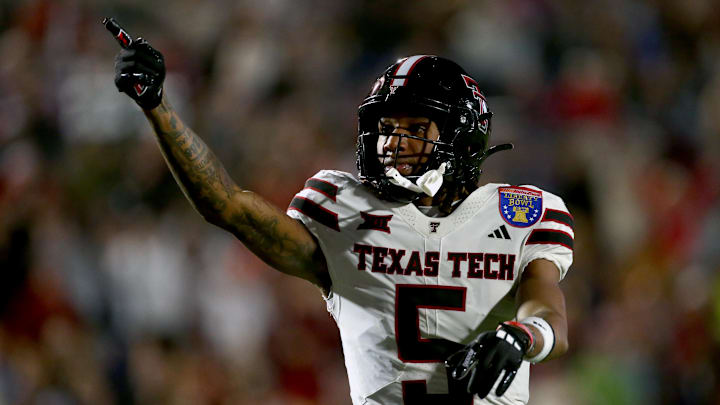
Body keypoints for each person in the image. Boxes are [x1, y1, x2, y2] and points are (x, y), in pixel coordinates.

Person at [109, 21, 573, 405]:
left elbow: (548, 313)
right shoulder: (344, 212)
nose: (394, 142)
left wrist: (520, 336)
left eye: (415, 127)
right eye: (387, 127)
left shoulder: (519, 213)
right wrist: (157, 106)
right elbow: (228, 207)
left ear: (462, 136)